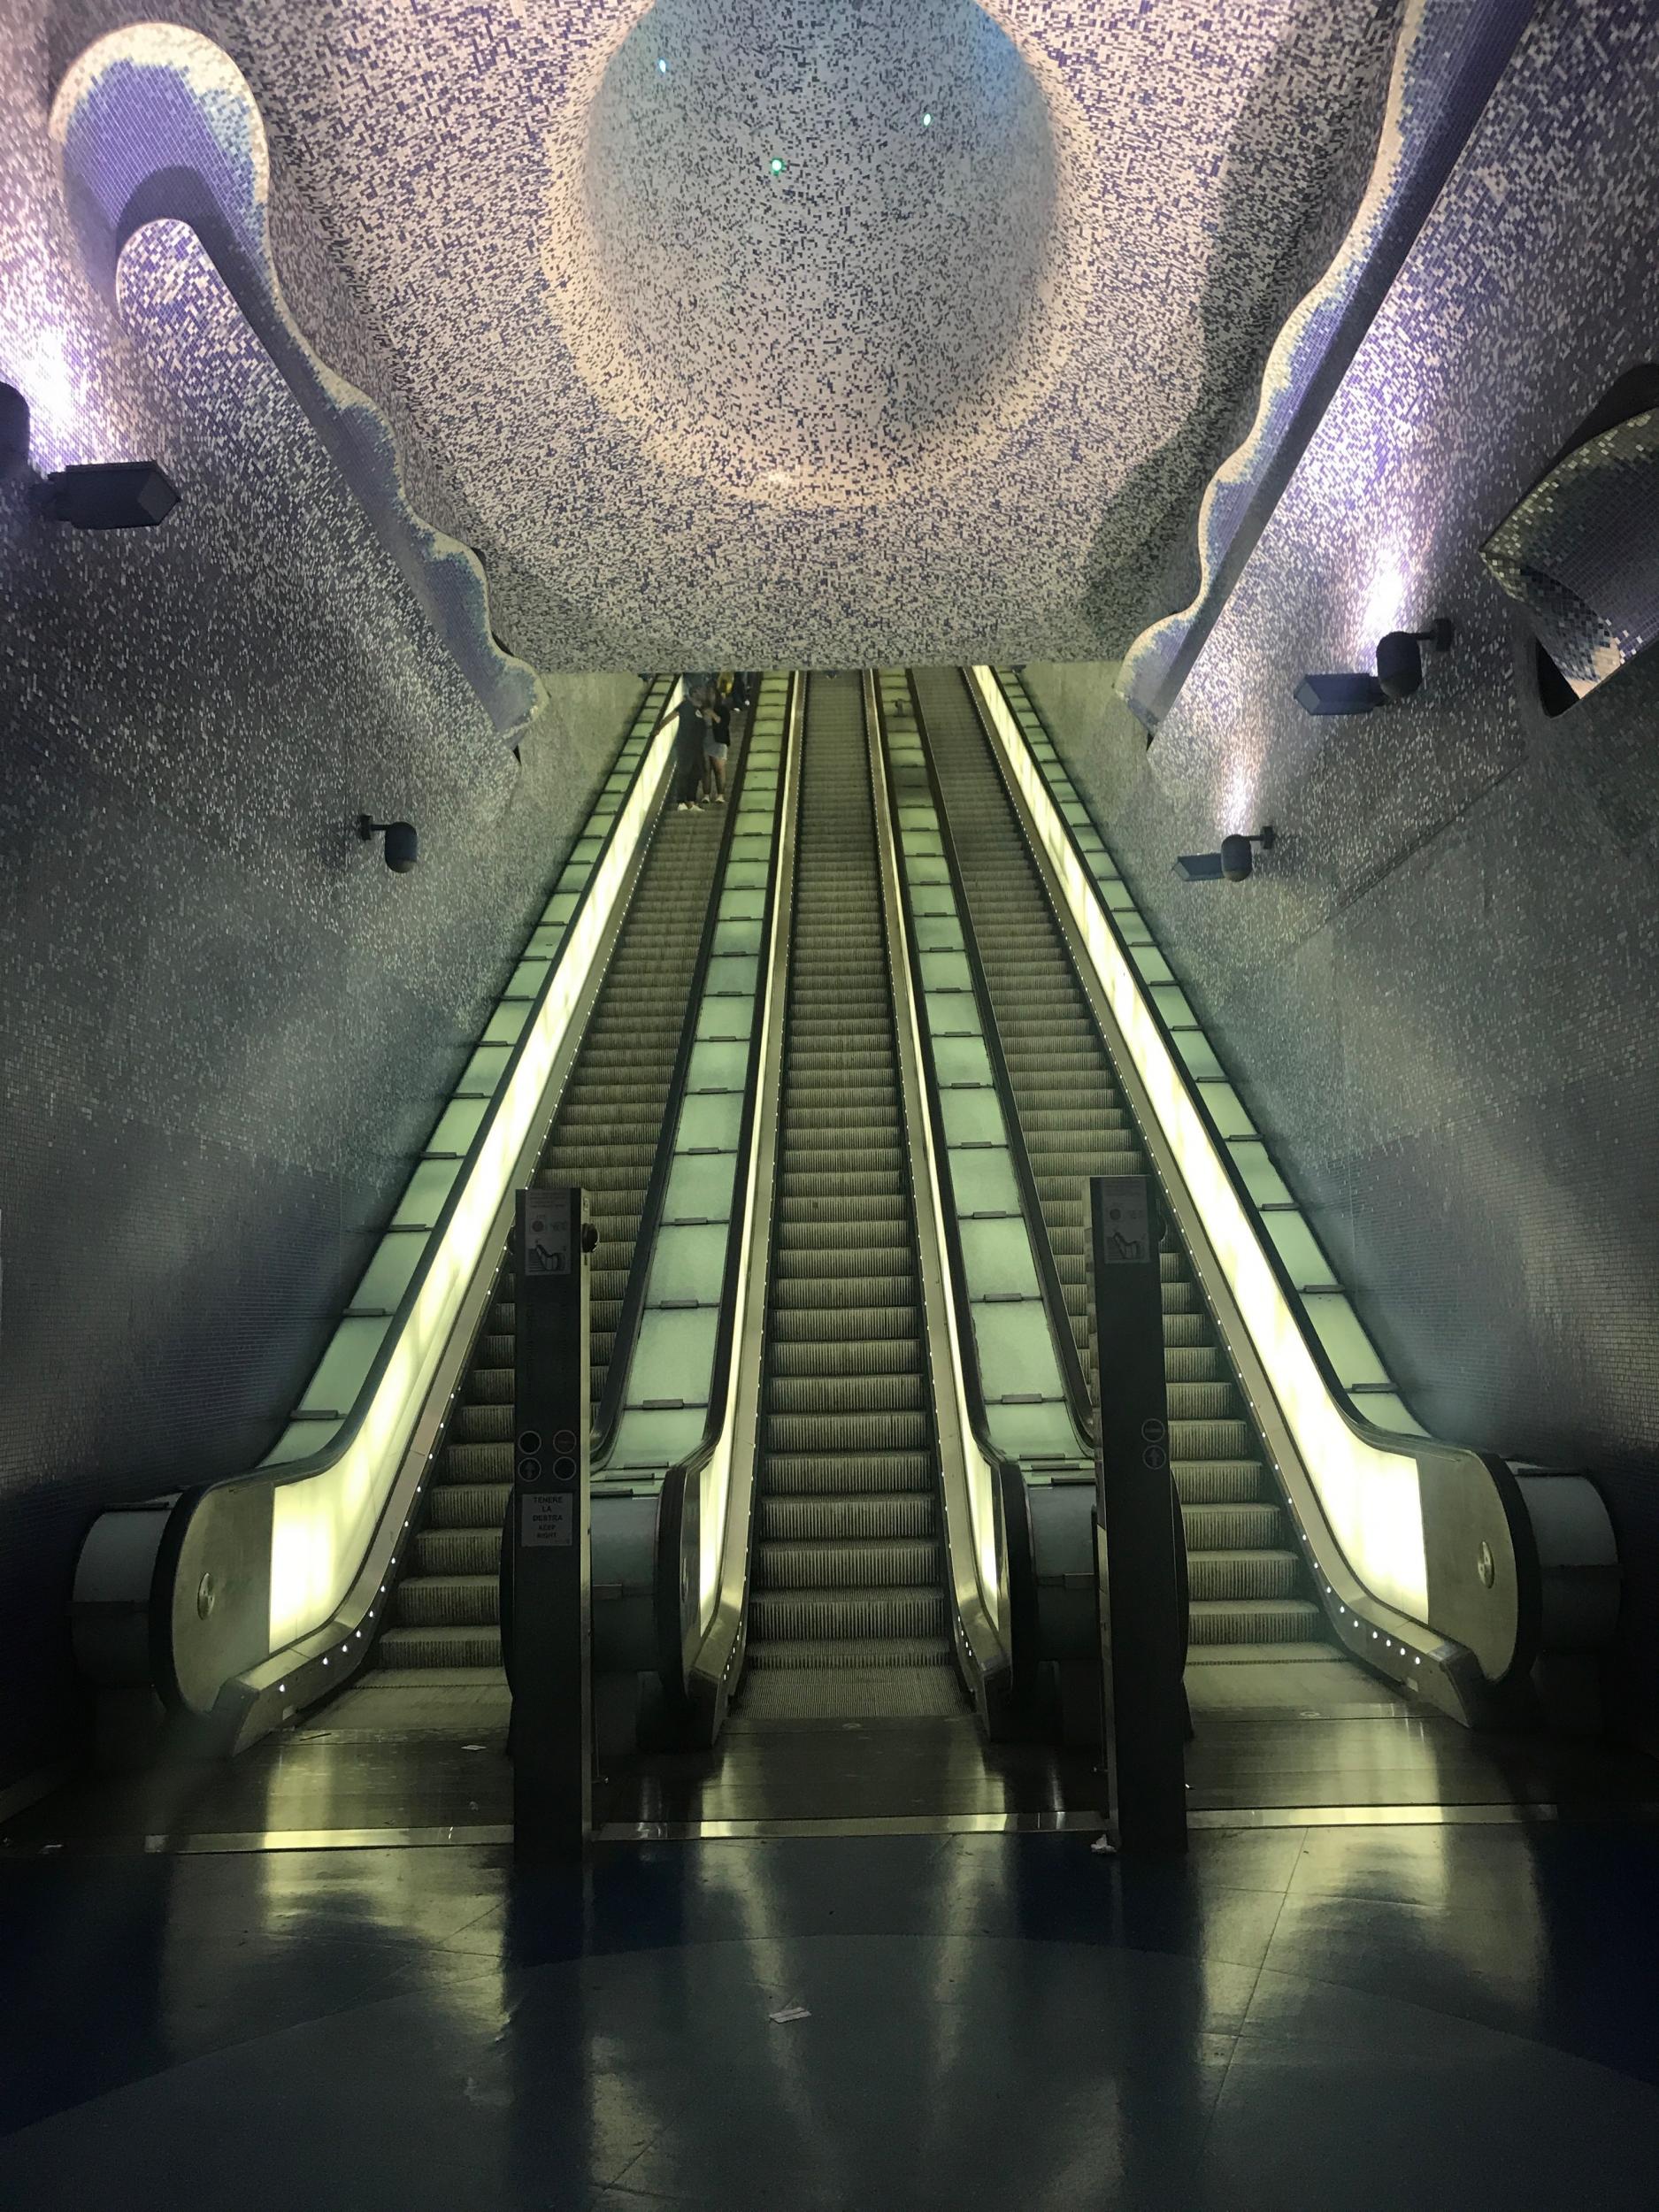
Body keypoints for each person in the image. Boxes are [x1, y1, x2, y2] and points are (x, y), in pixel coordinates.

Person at [674, 678, 714, 811]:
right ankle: (681, 801)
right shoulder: (685, 705)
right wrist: (658, 729)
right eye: (701, 691)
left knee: (696, 773)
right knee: (684, 771)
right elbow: (672, 716)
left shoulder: (701, 709)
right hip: (685, 744)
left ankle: (691, 801)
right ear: (695, 692)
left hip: (697, 746)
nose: (704, 693)